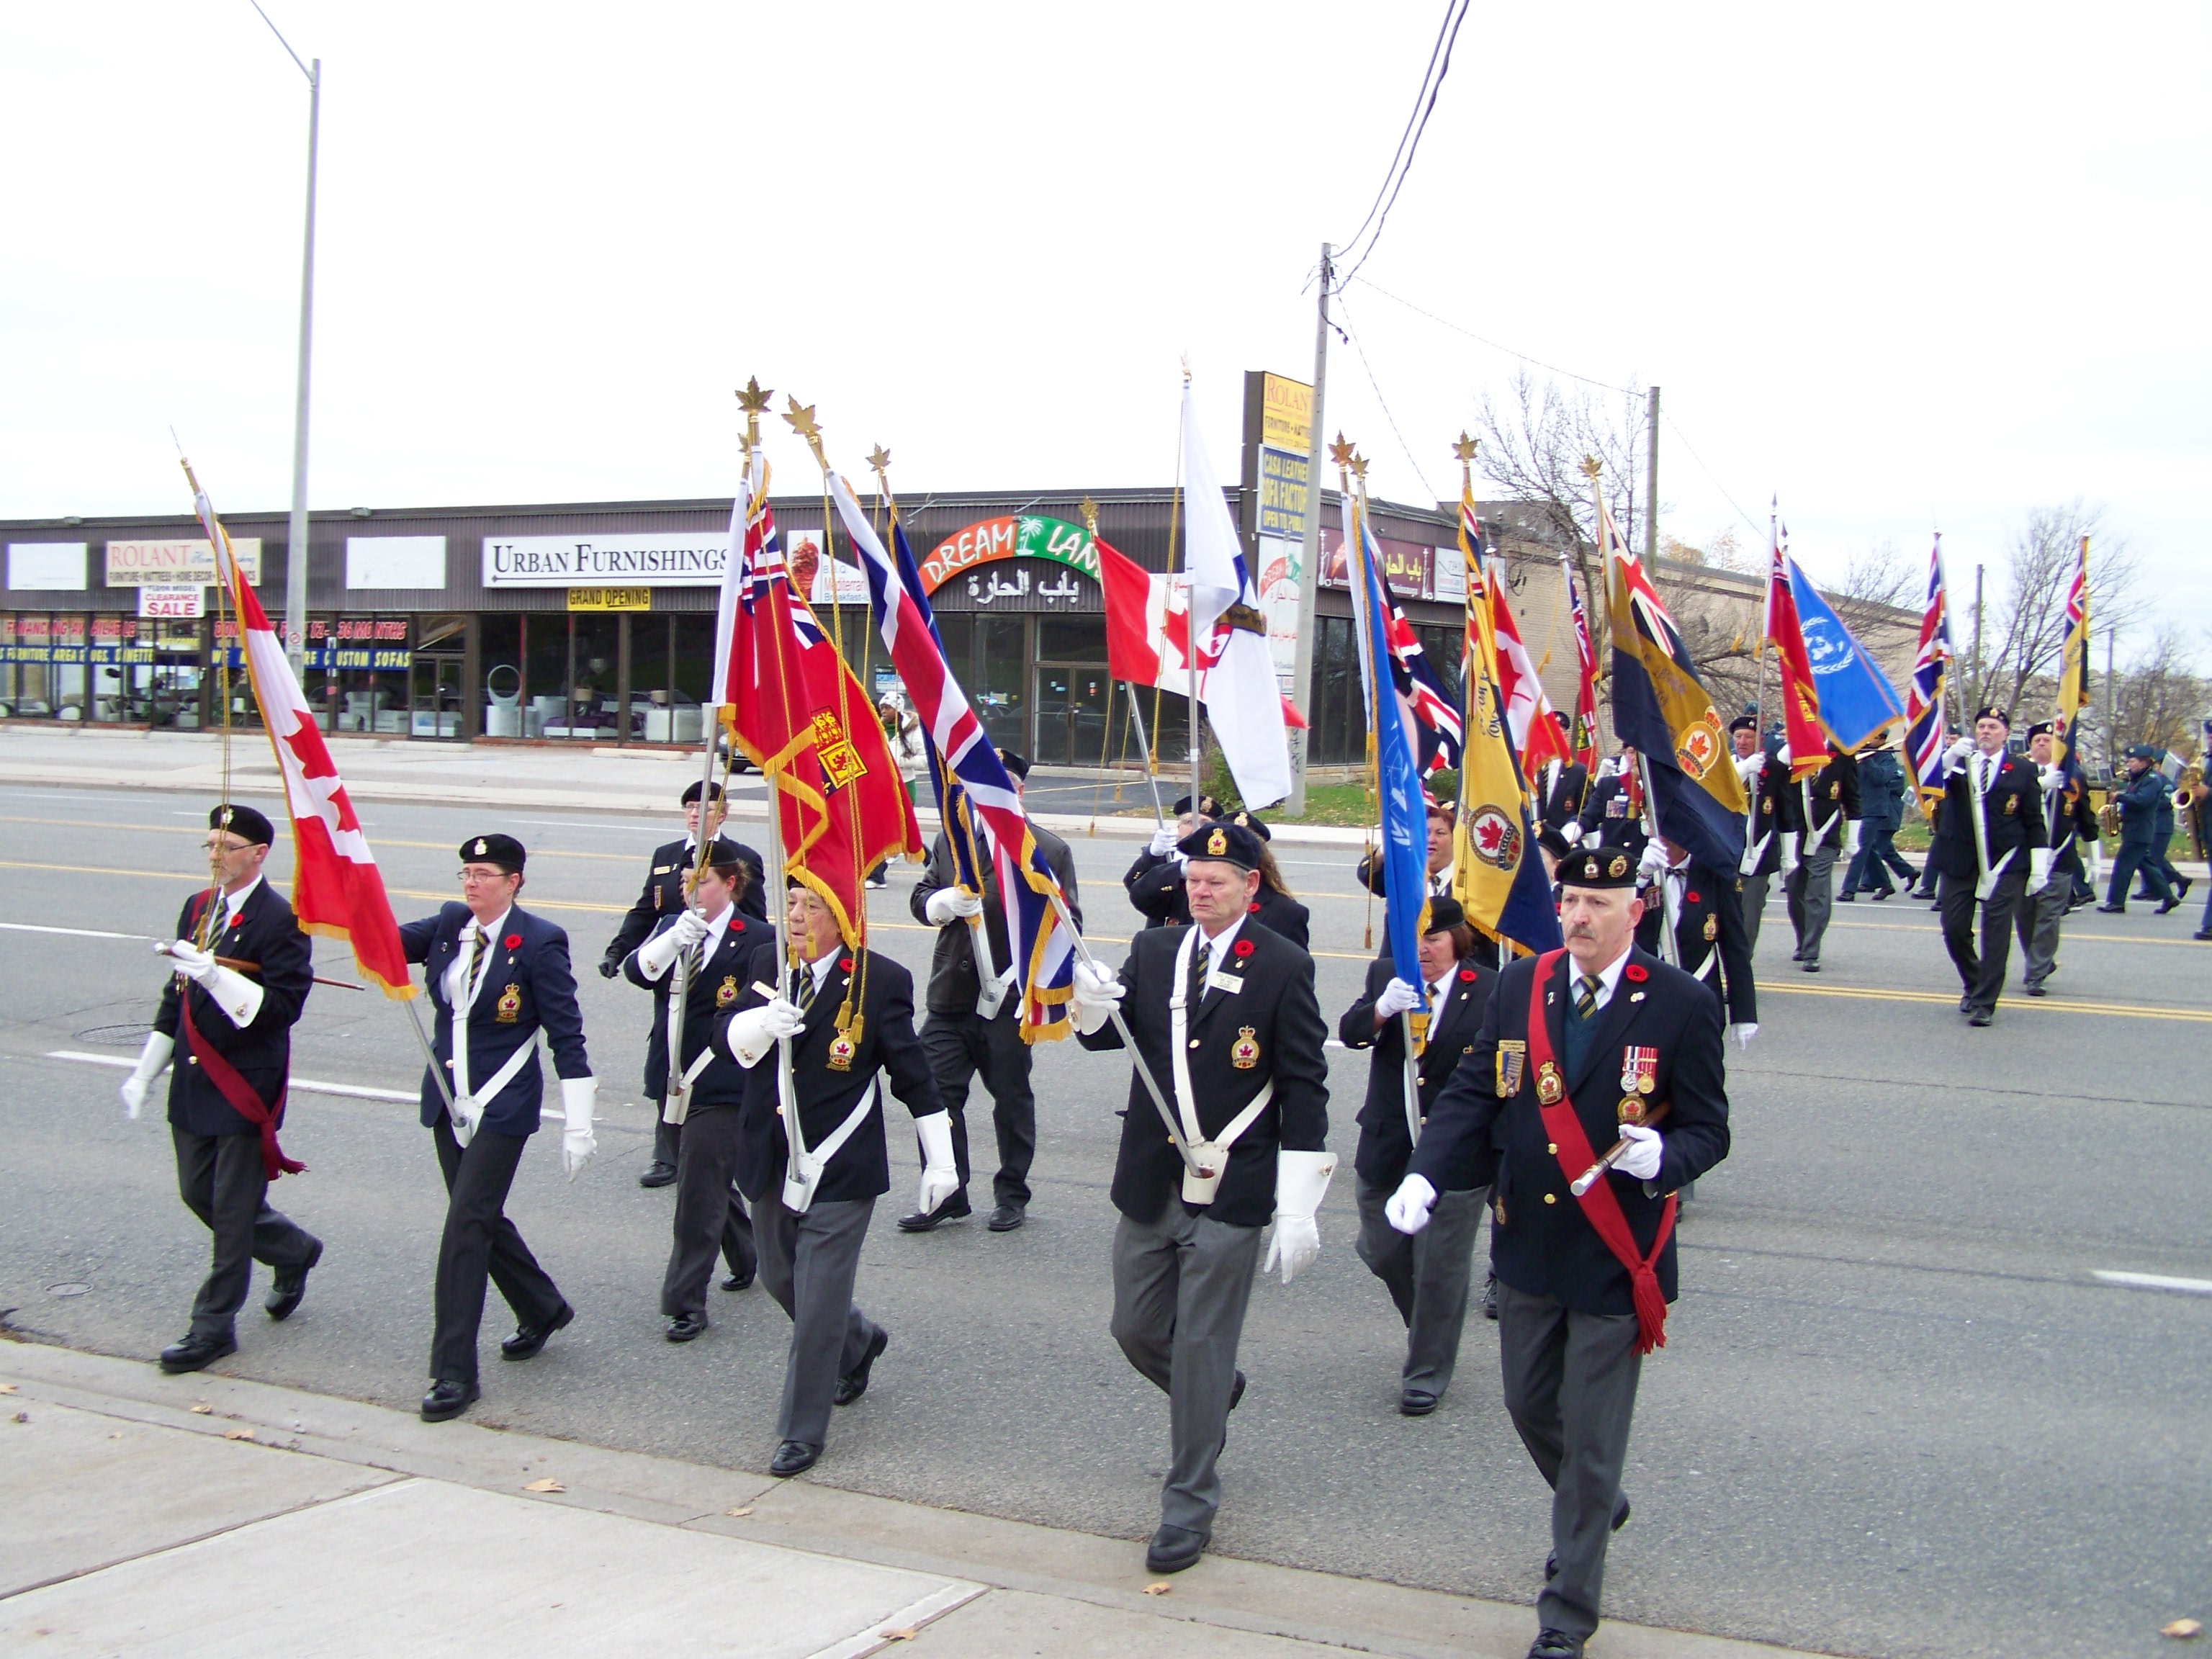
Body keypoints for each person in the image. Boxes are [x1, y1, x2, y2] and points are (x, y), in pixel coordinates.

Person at [1387, 846, 1730, 1659]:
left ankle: (1567, 1611)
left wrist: (1668, 1159)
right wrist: (1426, 1174)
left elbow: (1710, 1128)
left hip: (1617, 1254)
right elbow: (1475, 1089)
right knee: (1527, 1404)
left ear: (1634, 911)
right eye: (1571, 899)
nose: (1577, 916)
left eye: (1596, 903)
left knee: (1594, 1437)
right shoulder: (1522, 984)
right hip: (1531, 1243)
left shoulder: (1679, 1003)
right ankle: (1596, 1502)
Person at [1070, 818, 1333, 1575]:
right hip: (1153, 1179)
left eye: (1218, 879)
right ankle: (1214, 1394)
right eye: (1193, 878)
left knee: (1202, 1343)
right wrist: (1091, 1004)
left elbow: (1305, 1083)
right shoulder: (1156, 952)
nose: (1202, 887)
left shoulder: (1282, 963)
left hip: (1235, 1185)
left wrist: (1299, 1199)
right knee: (1134, 1327)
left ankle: (1189, 1505)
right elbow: (1104, 1038)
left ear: (1251, 886)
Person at [716, 884, 953, 1478]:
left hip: (840, 1165)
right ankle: (860, 1340)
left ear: (843, 915)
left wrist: (941, 1160)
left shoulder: (882, 980)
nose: (794, 917)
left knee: (818, 1302)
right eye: (790, 903)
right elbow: (726, 1041)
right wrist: (757, 1025)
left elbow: (915, 1078)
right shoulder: (771, 961)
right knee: (778, 1279)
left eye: (810, 906)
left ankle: (802, 1430)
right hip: (769, 1155)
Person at [117, 804, 323, 1375]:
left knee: (231, 1213)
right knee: (197, 1194)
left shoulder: (282, 920)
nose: (214, 855)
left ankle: (212, 1328)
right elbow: (175, 995)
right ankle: (292, 1250)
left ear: (258, 854)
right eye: (209, 844)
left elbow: (282, 1009)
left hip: (243, 1084)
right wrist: (144, 1070)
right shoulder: (199, 906)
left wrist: (217, 974)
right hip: (192, 1076)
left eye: (226, 845)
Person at [400, 834, 598, 1422]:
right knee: (478, 1215)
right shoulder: (447, 925)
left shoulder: (538, 942)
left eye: (484, 873)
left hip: (501, 1105)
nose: (471, 883)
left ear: (514, 882)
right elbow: (377, 940)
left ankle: (453, 1372)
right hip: (448, 1098)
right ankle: (541, 1307)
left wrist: (578, 1122)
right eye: (466, 872)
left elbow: (566, 1034)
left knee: (464, 1227)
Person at [904, 748, 1080, 1233]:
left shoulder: (1048, 850)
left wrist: (1045, 986)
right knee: (936, 1096)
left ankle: (1011, 1193)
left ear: (1017, 791)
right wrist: (941, 902)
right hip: (950, 998)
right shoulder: (952, 842)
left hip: (1010, 1000)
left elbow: (1071, 927)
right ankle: (947, 1190)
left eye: (996, 783)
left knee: (1012, 1099)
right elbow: (921, 898)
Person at [1336, 897, 1496, 1414]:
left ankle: (1426, 1369)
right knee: (1382, 1251)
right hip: (1387, 1143)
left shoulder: (1490, 988)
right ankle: (1431, 1325)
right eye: (1414, 938)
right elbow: (1351, 1033)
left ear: (1458, 940)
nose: (1422, 949)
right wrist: (1382, 1009)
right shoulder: (1389, 974)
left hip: (1455, 1154)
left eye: (1434, 938)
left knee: (1440, 1270)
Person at [623, 839, 763, 1338]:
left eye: (702, 881)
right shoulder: (671, 928)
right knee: (704, 1179)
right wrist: (670, 941)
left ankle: (685, 1301)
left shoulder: (757, 940)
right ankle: (747, 1252)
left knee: (697, 1192)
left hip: (721, 1081)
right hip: (671, 1076)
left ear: (730, 883)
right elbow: (637, 973)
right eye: (686, 883)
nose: (692, 891)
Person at [601, 781, 767, 1188]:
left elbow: (759, 923)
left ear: (723, 813)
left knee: (708, 1065)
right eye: (689, 806)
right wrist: (620, 949)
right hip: (674, 965)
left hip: (724, 967)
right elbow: (647, 911)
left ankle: (717, 1153)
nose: (695, 813)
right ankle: (667, 1156)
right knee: (668, 1054)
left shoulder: (742, 859)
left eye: (704, 807)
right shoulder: (667, 857)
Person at [1928, 710, 2048, 1026]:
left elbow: (2034, 821)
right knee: (1954, 928)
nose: (1986, 732)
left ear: (2006, 734)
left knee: (1995, 934)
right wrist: (1950, 754)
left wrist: (2039, 867)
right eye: (1981, 726)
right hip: (1960, 859)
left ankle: (1984, 1002)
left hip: (2005, 862)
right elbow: (1926, 780)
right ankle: (1974, 980)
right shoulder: (1959, 763)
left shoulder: (2022, 770)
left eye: (1993, 727)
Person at [1130, 808, 1312, 948]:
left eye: (1216, 883)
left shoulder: (1286, 913)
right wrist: (1177, 868)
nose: (1203, 891)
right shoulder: (1192, 890)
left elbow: (1291, 978)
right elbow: (1140, 893)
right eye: (1195, 881)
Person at [1637, 837, 1758, 1046]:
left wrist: (1744, 1013)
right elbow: (1616, 927)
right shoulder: (1636, 870)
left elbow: (1735, 945)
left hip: (1699, 989)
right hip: (1646, 996)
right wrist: (1640, 878)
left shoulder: (1716, 873)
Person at [2016, 722, 2098, 996]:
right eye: (2037, 739)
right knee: (2026, 918)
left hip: (2059, 861)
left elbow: (2085, 815)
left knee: (2048, 919)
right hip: (2024, 861)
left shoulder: (2072, 777)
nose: (2041, 744)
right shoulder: (2018, 772)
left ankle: (2035, 974)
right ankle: (2040, 960)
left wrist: (2094, 856)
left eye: (2047, 740)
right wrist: (2039, 787)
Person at [1783, 743, 1859, 973]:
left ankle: (1812, 950)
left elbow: (1852, 797)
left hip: (1826, 835)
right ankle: (1802, 938)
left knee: (1818, 892)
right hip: (1794, 833)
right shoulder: (1792, 748)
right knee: (1796, 891)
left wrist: (1853, 838)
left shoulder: (1842, 753)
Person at [1732, 719, 1788, 958]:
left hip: (1759, 854)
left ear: (1760, 740)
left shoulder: (1774, 769)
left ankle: (1741, 970)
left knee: (1749, 918)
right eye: (1738, 737)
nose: (1742, 742)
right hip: (1726, 852)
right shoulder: (1723, 766)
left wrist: (1789, 855)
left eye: (1748, 737)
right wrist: (1742, 772)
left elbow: (1786, 812)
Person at [2099, 747, 2178, 914]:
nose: (2129, 765)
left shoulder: (2152, 780)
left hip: (2140, 831)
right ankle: (2169, 898)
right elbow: (2133, 802)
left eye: (2132, 761)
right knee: (2148, 867)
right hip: (2134, 829)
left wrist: (2119, 796)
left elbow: (2142, 801)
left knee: (2123, 867)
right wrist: (2119, 815)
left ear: (2143, 762)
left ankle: (2116, 903)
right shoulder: (2138, 780)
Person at [1123, 793, 1218, 929]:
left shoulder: (1221, 861)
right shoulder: (1168, 854)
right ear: (1179, 827)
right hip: (1162, 935)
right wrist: (1152, 854)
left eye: (1205, 823)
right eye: (1190, 822)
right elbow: (1133, 885)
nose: (1197, 828)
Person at [1839, 740, 1913, 901]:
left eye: (1874, 737)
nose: (1869, 740)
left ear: (1882, 740)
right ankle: (1886, 884)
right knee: (1870, 849)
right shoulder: (1857, 755)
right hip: (1859, 808)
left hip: (1875, 809)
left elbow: (1881, 778)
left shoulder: (1887, 758)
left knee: (1860, 848)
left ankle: (1849, 890)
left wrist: (1868, 760)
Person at [1570, 750, 1649, 863]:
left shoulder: (1661, 789)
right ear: (1625, 754)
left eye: (1641, 753)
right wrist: (1571, 831)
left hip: (1645, 863)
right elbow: (1589, 816)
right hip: (1611, 863)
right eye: (1632, 752)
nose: (1636, 759)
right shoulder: (1610, 785)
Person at [1537, 714, 1589, 833]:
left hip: (1562, 840)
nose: (1552, 738)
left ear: (1565, 737)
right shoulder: (1530, 768)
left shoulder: (1576, 771)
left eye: (1558, 733)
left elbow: (1585, 810)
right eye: (1548, 733)